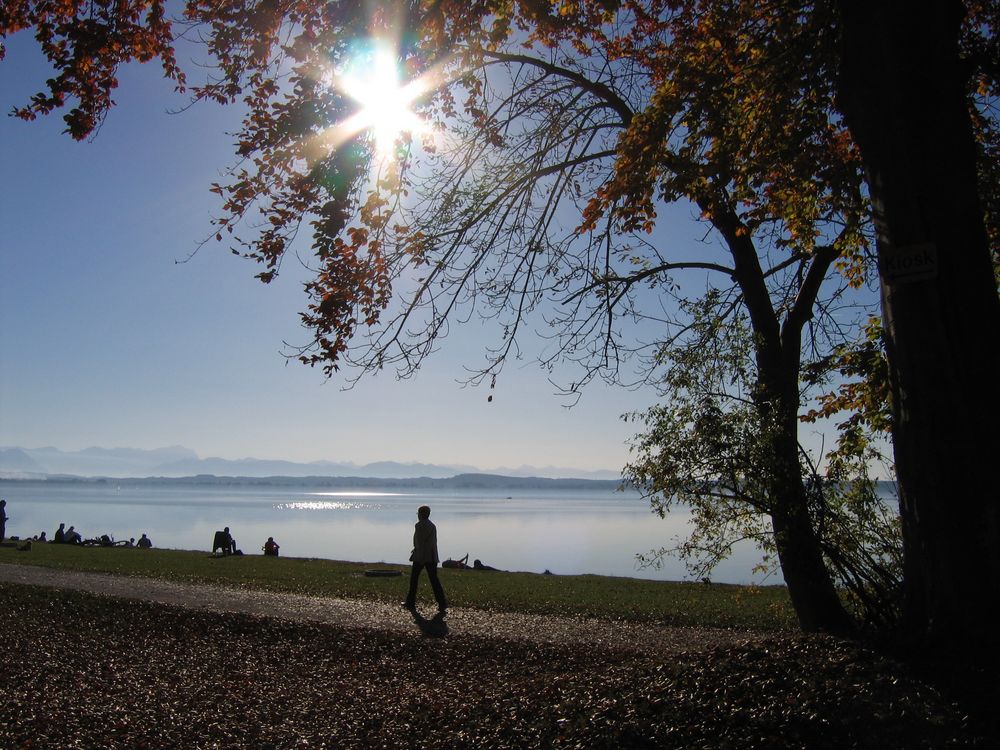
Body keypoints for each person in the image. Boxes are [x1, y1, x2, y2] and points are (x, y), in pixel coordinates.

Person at [402, 505, 447, 614]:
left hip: (421, 556)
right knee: (434, 580)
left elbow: (420, 543)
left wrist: (421, 557)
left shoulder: (419, 526)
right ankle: (442, 603)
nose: (417, 515)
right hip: (432, 556)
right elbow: (432, 542)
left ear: (421, 514)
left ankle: (410, 602)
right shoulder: (432, 525)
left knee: (414, 579)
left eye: (418, 513)